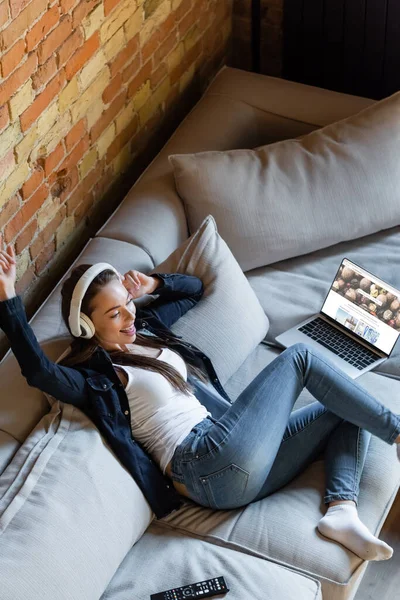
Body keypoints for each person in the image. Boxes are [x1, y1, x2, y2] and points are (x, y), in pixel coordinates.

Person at [0, 243, 399, 563]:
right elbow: (40, 372)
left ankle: (341, 511)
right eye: (113, 313)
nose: (128, 316)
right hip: (203, 464)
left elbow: (194, 289)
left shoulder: (147, 330)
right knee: (300, 359)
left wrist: (151, 286)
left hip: (230, 459)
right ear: (87, 326)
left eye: (127, 303)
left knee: (347, 408)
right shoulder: (97, 377)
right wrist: (9, 300)